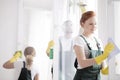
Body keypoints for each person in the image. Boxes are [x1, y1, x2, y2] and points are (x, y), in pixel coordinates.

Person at [73, 11, 114, 80]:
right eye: (90, 24)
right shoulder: (79, 40)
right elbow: (82, 63)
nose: (94, 26)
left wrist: (113, 64)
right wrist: (102, 56)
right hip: (83, 78)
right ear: (82, 24)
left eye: (95, 24)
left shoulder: (98, 41)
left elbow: (103, 69)